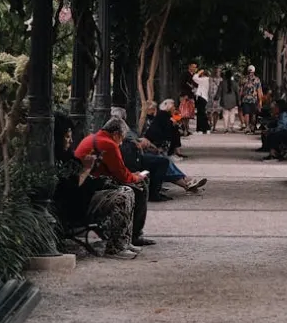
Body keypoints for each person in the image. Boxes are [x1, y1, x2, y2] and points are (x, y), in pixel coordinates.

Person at [72, 117, 151, 259]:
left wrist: (132, 176)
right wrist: (137, 177)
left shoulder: (93, 138)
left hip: (85, 189)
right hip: (87, 194)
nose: (121, 142)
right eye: (121, 138)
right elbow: (122, 175)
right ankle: (118, 245)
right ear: (115, 134)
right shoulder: (108, 144)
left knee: (132, 189)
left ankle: (126, 240)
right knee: (130, 191)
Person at [112, 106, 207, 200]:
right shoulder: (120, 128)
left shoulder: (123, 127)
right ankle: (185, 182)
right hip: (133, 159)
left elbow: (135, 141)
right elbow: (132, 143)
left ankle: (186, 182)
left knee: (163, 160)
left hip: (136, 155)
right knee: (162, 161)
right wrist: (143, 143)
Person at [239, 64, 262, 133]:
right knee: (253, 113)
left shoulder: (244, 79)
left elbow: (241, 91)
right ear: (254, 71)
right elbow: (259, 91)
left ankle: (247, 127)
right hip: (254, 99)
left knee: (247, 113)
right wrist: (260, 101)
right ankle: (252, 127)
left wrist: (239, 99)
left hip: (245, 99)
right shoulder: (257, 80)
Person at [194, 68, 210, 133]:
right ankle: (205, 128)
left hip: (201, 97)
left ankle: (201, 129)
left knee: (201, 114)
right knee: (202, 113)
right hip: (204, 97)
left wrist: (198, 72)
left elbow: (194, 78)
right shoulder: (207, 80)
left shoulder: (204, 79)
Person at [207, 67, 222, 131]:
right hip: (210, 97)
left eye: (219, 72)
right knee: (209, 111)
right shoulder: (209, 79)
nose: (218, 73)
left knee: (216, 112)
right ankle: (210, 122)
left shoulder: (221, 79)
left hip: (218, 98)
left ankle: (214, 126)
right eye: (217, 71)